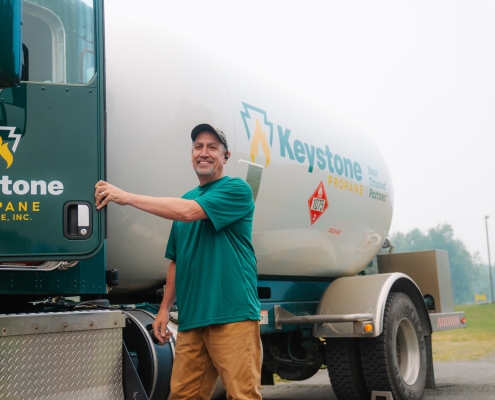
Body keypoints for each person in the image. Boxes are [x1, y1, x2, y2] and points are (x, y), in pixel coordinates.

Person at [94, 124, 262, 400]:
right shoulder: (186, 199)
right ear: (192, 154)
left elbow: (189, 213)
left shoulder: (236, 190)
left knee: (242, 394)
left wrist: (127, 198)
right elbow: (177, 260)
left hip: (233, 313)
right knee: (183, 395)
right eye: (198, 147)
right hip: (193, 318)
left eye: (212, 147)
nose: (204, 153)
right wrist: (163, 309)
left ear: (226, 156)